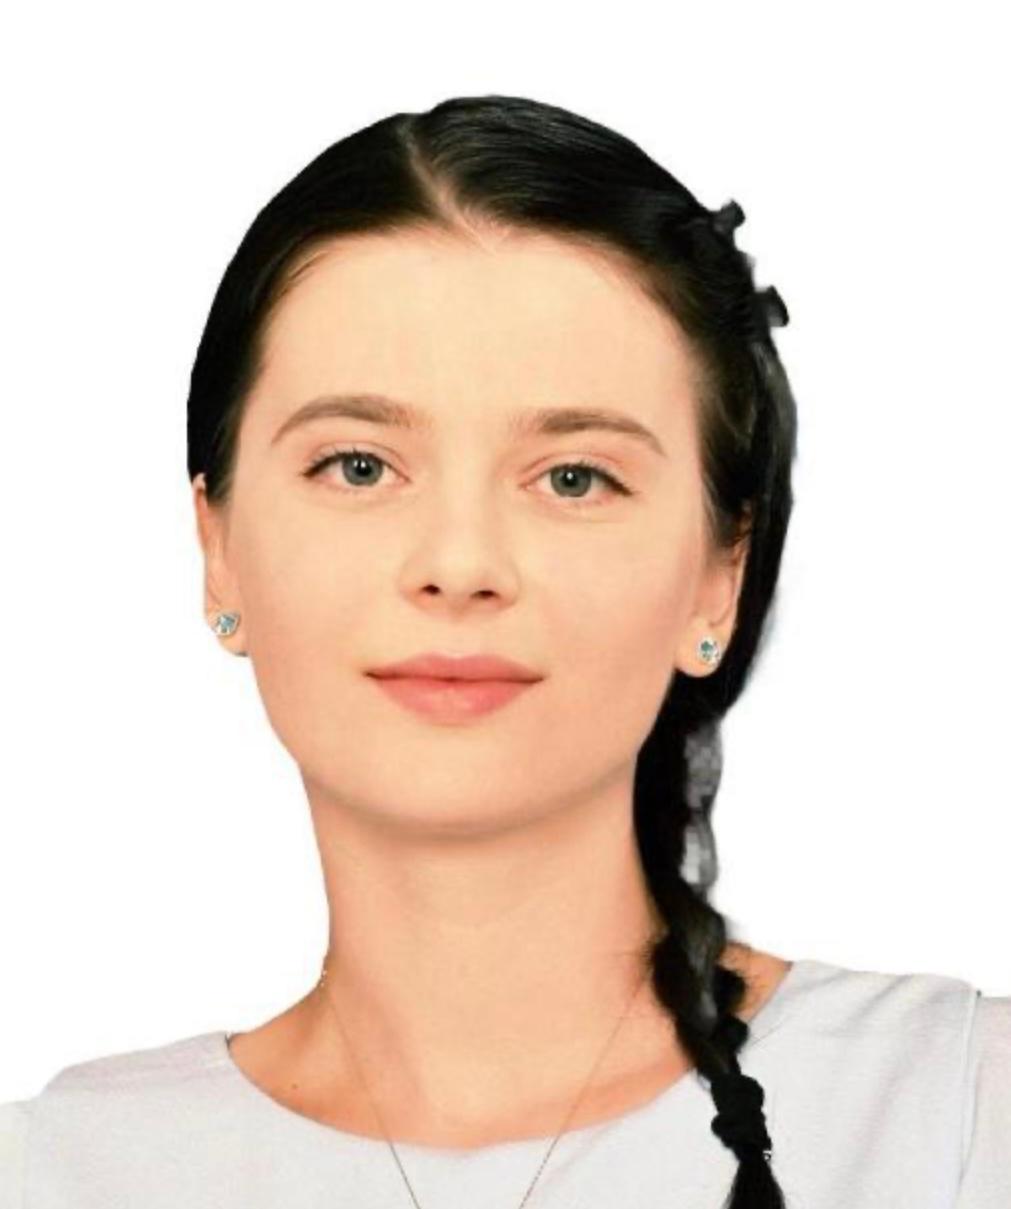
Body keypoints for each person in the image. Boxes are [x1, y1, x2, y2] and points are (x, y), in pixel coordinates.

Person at [1, 94, 1007, 1209]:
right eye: (359, 466)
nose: (459, 563)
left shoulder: (957, 1112)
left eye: (574, 477)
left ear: (718, 574)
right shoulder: (55, 1172)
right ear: (218, 547)